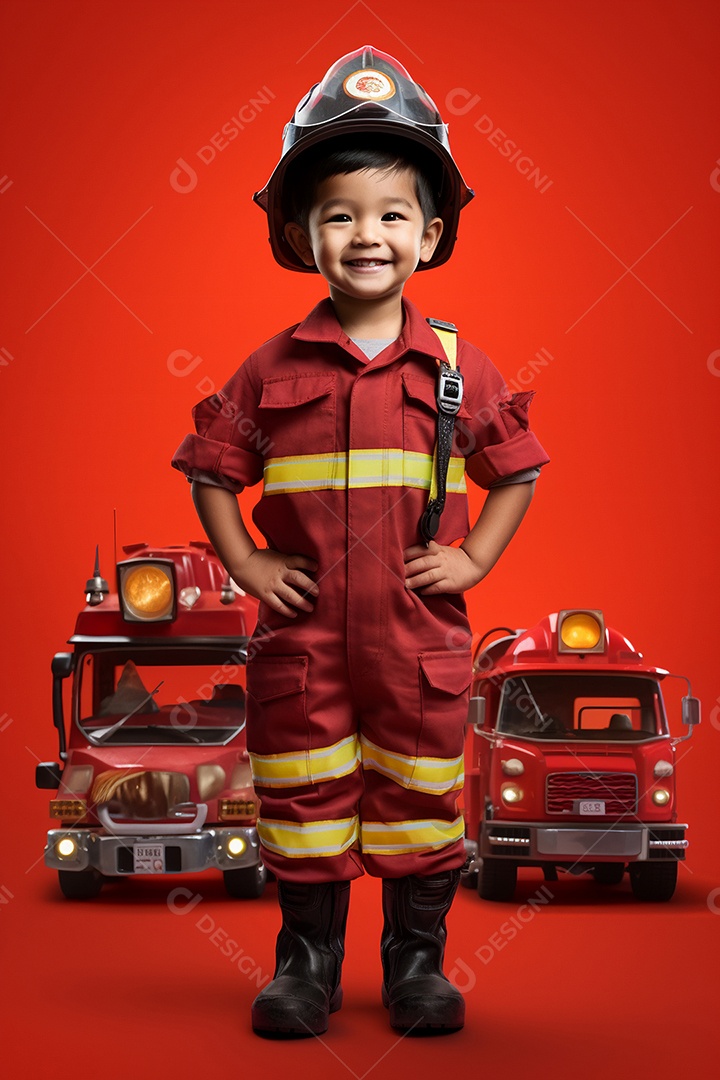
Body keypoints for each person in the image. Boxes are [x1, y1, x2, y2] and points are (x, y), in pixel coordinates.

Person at [172, 45, 549, 1037]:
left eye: (390, 215)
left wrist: (472, 563)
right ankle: (306, 966)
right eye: (340, 215)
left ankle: (417, 965)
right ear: (301, 234)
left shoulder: (458, 369)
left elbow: (519, 469)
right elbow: (213, 469)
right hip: (303, 648)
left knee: (423, 802)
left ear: (431, 232)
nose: (366, 235)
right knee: (302, 803)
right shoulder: (268, 366)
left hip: (416, 641)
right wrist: (249, 565)